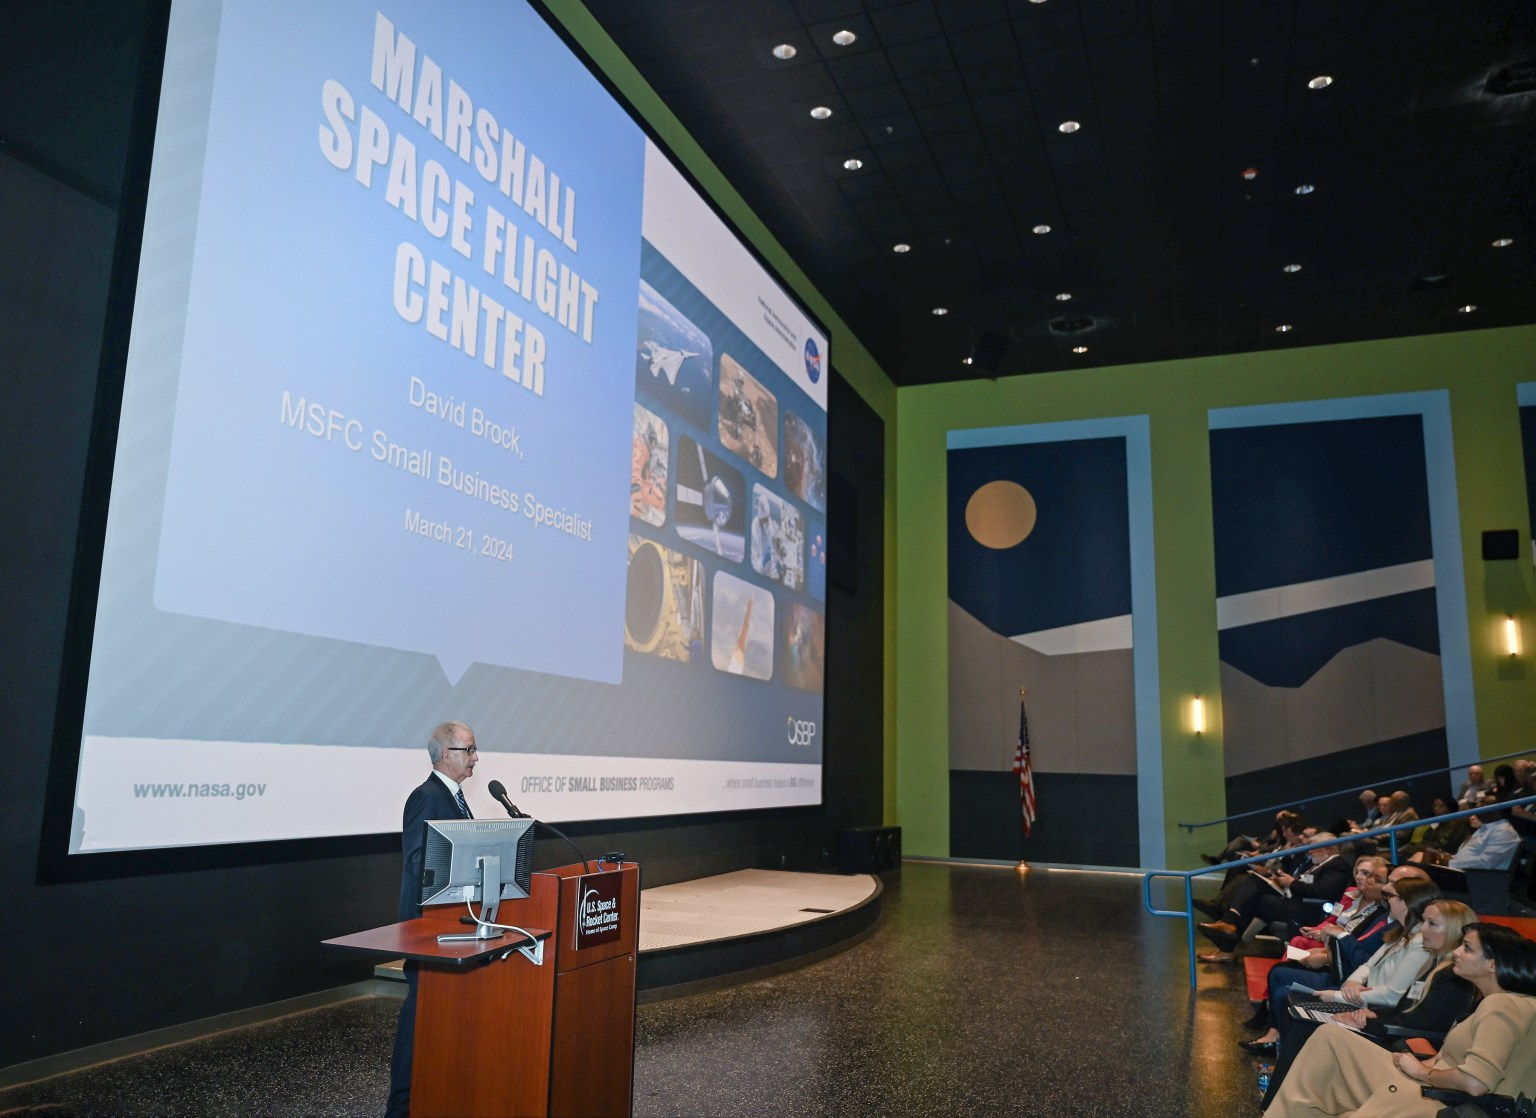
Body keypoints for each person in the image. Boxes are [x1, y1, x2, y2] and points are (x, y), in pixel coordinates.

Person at [1264, 922, 1536, 1116]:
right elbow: (1457, 1060)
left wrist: (1421, 1071)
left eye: (1467, 948)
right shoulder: (1503, 1002)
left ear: (1492, 964)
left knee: (1327, 1046)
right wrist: (1423, 1065)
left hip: (1443, 1101)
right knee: (1330, 1037)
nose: (1456, 952)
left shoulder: (1502, 1005)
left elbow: (1476, 1083)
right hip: (1437, 1087)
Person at [1260, 898, 1477, 1102]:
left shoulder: (1451, 976)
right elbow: (1409, 1011)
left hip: (1400, 1043)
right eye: (1423, 921)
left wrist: (1369, 1020)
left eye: (1432, 924)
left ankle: (1278, 1100)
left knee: (1304, 1026)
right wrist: (1369, 1015)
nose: (1423, 929)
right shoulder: (1435, 964)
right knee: (1300, 1014)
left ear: (1453, 931)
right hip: (1389, 1027)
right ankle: (1287, 1094)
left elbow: (1423, 1023)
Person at [387, 722, 479, 1118]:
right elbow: (416, 861)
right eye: (470, 750)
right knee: (420, 1011)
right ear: (447, 754)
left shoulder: (457, 799)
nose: (476, 758)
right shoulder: (426, 797)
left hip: (454, 924)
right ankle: (402, 1106)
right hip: (429, 927)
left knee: (442, 1013)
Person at [1243, 875, 1439, 1053]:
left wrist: (1338, 993)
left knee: (1286, 995)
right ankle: (1279, 1045)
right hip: (1356, 990)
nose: (1387, 898)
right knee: (1282, 981)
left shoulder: (1417, 942)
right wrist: (1351, 983)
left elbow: (1390, 994)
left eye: (1392, 895)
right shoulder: (1400, 931)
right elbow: (1368, 966)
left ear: (1405, 903)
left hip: (1369, 1005)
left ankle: (1289, 1057)